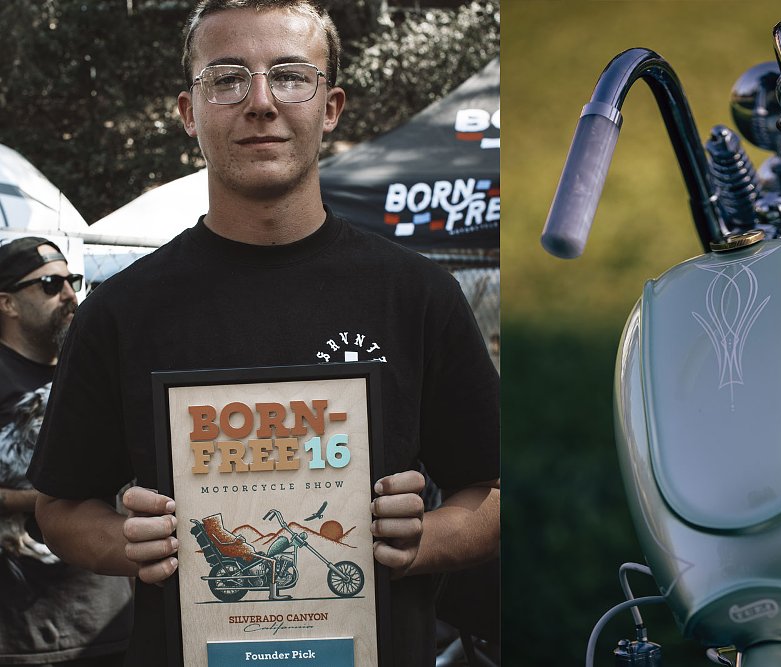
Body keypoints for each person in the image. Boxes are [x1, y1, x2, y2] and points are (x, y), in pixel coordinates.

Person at [26, 2, 499, 666]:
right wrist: (122, 539)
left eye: (289, 75)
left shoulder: (419, 295)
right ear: (189, 112)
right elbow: (59, 505)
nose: (260, 102)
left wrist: (429, 536)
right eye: (226, 78)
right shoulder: (121, 311)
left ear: (330, 106)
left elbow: (496, 489)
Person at [0, 236, 133, 666]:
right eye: (50, 284)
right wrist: (53, 499)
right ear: (7, 303)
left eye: (72, 280)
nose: (70, 294)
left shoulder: (91, 368)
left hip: (107, 617)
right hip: (22, 631)